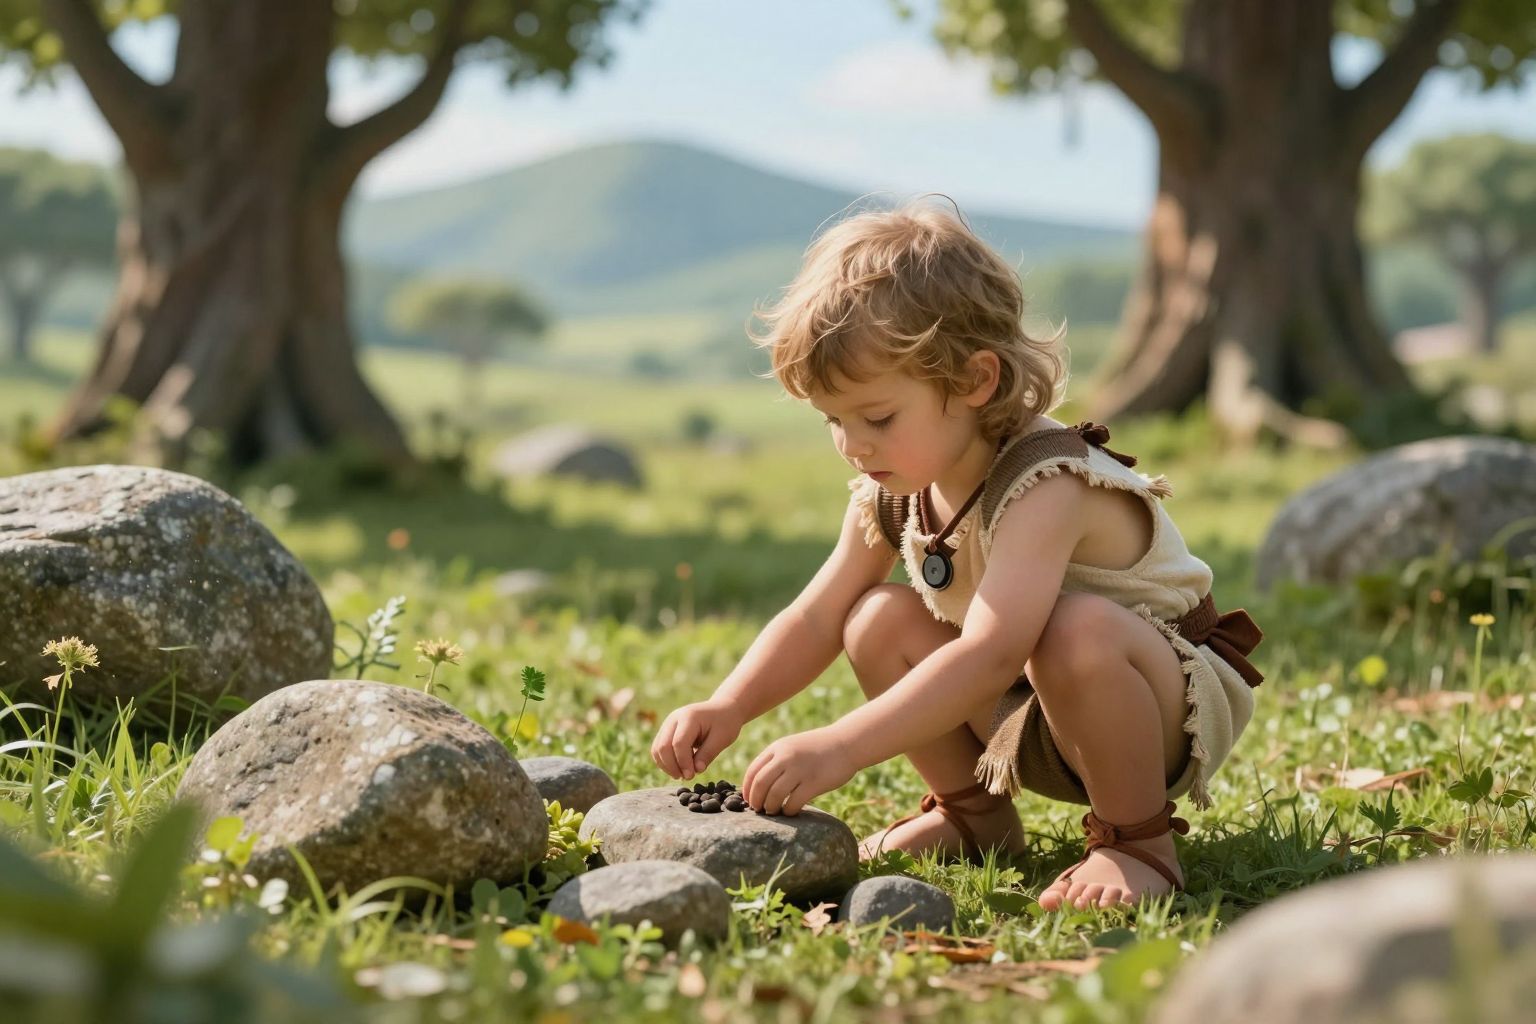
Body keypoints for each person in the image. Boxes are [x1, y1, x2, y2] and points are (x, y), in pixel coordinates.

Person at [649, 198, 1264, 910]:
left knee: (1073, 628)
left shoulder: (1047, 483)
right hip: (1033, 714)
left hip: (1158, 711)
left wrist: (842, 747)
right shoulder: (895, 492)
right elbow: (816, 616)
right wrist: (730, 704)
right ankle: (974, 819)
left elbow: (994, 654)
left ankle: (1138, 844)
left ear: (976, 382)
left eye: (877, 416)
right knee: (873, 615)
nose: (854, 444)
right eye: (834, 421)